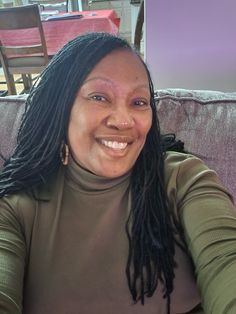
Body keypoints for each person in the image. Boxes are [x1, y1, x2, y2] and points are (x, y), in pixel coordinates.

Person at [0, 32, 236, 314]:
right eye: (99, 97)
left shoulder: (183, 178)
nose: (124, 121)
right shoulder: (16, 205)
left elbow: (225, 259)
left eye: (138, 102)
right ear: (60, 108)